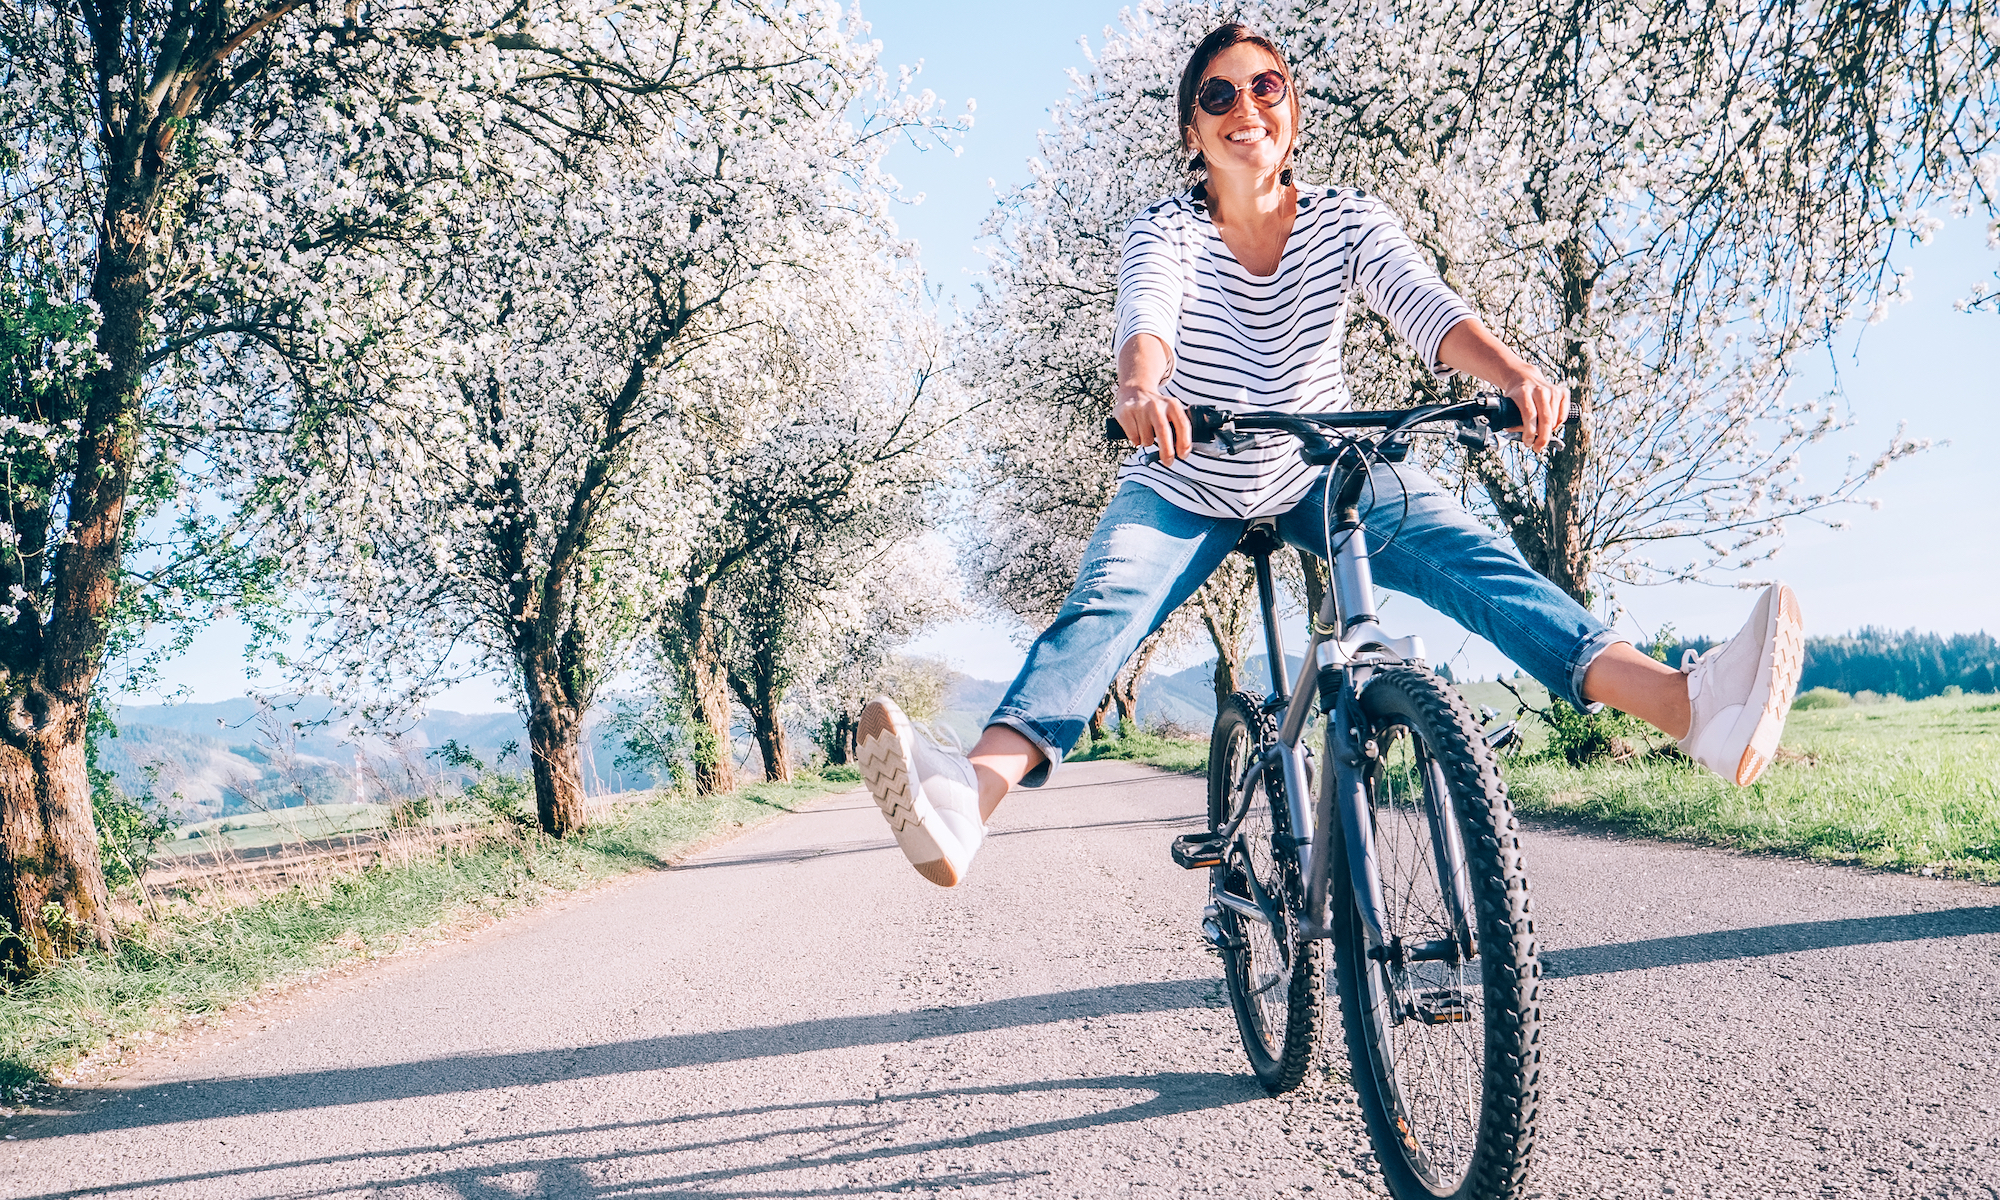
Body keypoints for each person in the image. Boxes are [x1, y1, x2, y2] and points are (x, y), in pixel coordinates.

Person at [857, 23, 1804, 888]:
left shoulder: (1347, 220)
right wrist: (1141, 391)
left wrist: (1514, 374)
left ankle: (1690, 709)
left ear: (1293, 113)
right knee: (1104, 608)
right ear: (1194, 129)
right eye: (1218, 97)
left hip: (1321, 466)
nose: (1245, 110)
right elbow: (1148, 324)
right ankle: (966, 800)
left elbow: (1429, 308)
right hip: (1189, 476)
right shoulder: (1167, 231)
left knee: (1478, 564)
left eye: (1264, 87)